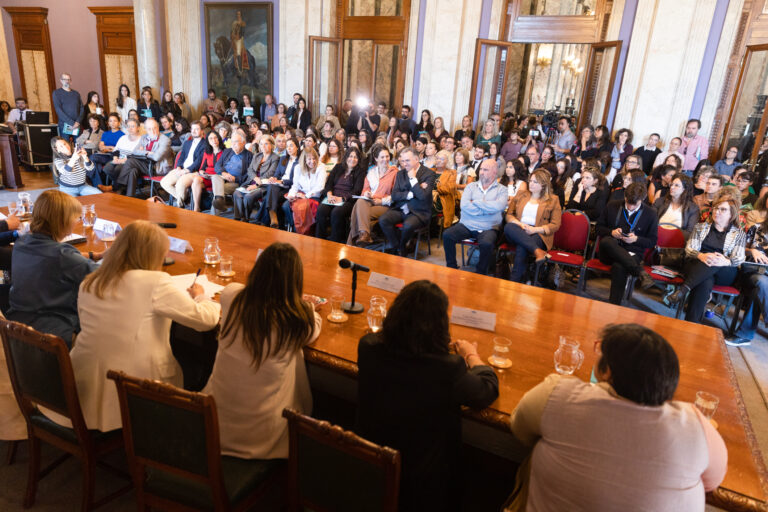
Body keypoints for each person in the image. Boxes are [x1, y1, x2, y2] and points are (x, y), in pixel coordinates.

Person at [508, 323, 727, 512]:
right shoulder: (695, 426)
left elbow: (519, 428)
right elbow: (712, 482)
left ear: (608, 371)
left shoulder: (558, 394)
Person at [356, 280, 499, 512]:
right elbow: (486, 390)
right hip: (423, 483)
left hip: (372, 466)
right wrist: (472, 356)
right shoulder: (448, 368)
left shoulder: (368, 347)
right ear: (439, 326)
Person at [67, 221, 219, 432]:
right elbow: (206, 320)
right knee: (198, 365)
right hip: (134, 387)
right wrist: (201, 296)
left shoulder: (91, 281)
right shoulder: (155, 282)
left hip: (84, 381)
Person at [200, 242, 321, 458]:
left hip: (214, 425)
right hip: (262, 441)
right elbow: (314, 327)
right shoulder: (297, 318)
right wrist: (307, 305)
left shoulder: (232, 296)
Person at [7, 190, 102, 346]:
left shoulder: (22, 243)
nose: (77, 222)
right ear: (63, 221)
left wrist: (94, 255)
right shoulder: (63, 255)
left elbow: (55, 257)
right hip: (54, 333)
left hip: (18, 324)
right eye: (76, 218)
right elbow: (104, 277)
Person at [668, 196, 746, 322]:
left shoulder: (739, 234)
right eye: (715, 208)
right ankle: (692, 324)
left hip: (724, 271)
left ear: (731, 214)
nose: (717, 211)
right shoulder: (700, 227)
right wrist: (701, 255)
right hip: (697, 265)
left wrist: (725, 261)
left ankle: (684, 290)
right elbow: (689, 249)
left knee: (715, 260)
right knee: (705, 281)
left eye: (722, 209)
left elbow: (739, 258)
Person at [596, 182, 658, 304]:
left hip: (633, 252)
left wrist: (636, 239)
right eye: (628, 202)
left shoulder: (650, 214)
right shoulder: (612, 205)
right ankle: (640, 272)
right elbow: (598, 228)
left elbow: (652, 241)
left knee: (620, 267)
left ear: (643, 199)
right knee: (607, 241)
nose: (630, 207)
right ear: (624, 196)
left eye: (634, 205)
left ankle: (614, 305)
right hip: (608, 251)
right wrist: (611, 232)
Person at [443, 159, 508, 275]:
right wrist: (487, 209)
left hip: (489, 227)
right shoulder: (470, 187)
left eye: (485, 170)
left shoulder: (502, 190)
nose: (481, 172)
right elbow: (465, 206)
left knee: (487, 243)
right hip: (467, 224)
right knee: (447, 235)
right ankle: (451, 267)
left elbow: (499, 206)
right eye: (481, 169)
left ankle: (481, 272)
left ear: (494, 172)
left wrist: (476, 202)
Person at [503, 169, 562, 282]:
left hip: (538, 233)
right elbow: (509, 215)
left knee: (522, 247)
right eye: (531, 181)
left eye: (535, 182)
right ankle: (538, 252)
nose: (531, 184)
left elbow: (555, 224)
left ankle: (515, 281)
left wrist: (535, 230)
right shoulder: (521, 194)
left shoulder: (553, 199)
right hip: (518, 229)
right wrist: (520, 224)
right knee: (509, 227)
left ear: (544, 185)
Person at [379, 147, 437, 256]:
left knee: (408, 225)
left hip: (419, 211)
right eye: (403, 161)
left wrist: (413, 180)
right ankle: (397, 246)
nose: (404, 164)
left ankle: (401, 248)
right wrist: (413, 191)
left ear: (416, 159)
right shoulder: (400, 174)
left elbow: (423, 196)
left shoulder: (429, 174)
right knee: (383, 220)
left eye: (407, 160)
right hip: (401, 208)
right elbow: (395, 195)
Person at [348, 144, 398, 246]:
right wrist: (366, 193)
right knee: (361, 200)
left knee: (359, 214)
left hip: (385, 205)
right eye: (382, 157)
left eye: (387, 156)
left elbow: (397, 195)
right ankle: (365, 235)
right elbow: (365, 189)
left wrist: (382, 201)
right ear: (376, 158)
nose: (385, 159)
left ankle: (352, 243)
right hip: (369, 201)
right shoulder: (371, 172)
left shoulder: (395, 172)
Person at [315, 147, 365, 242]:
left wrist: (342, 199)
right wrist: (329, 195)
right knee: (321, 210)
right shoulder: (338, 167)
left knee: (336, 213)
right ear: (346, 157)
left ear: (358, 160)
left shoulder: (360, 172)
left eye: (355, 157)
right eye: (350, 156)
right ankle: (319, 239)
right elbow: (328, 184)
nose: (352, 159)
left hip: (347, 200)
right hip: (332, 197)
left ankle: (336, 241)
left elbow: (357, 191)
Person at [116, 118, 174, 197]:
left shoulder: (165, 140)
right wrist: (147, 152)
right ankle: (130, 197)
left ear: (158, 127)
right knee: (133, 170)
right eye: (149, 129)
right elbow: (134, 151)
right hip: (146, 165)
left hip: (157, 168)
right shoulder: (144, 137)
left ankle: (118, 186)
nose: (152, 131)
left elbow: (156, 157)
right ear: (146, 129)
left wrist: (142, 152)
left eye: (154, 128)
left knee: (130, 161)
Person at [232, 135, 280, 222]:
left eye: (266, 144)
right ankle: (238, 217)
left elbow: (270, 173)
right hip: (251, 181)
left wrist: (257, 184)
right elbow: (250, 169)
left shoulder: (275, 157)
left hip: (264, 185)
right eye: (261, 144)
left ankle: (245, 219)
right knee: (237, 193)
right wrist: (255, 178)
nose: (263, 146)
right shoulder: (257, 155)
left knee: (248, 197)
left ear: (272, 145)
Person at [160, 121, 206, 207]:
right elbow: (181, 157)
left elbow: (199, 161)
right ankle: (185, 199)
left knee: (180, 185)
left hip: (193, 171)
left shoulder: (205, 144)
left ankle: (179, 206)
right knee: (164, 182)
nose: (194, 131)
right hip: (181, 169)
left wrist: (186, 170)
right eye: (193, 129)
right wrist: (178, 167)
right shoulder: (187, 143)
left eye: (197, 129)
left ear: (202, 131)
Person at [284, 147, 326, 234]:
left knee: (303, 208)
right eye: (309, 159)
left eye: (314, 158)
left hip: (314, 196)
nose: (312, 161)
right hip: (301, 194)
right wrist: (291, 195)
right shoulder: (298, 168)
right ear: (304, 160)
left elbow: (320, 186)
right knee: (285, 206)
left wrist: (306, 196)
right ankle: (295, 228)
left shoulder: (321, 167)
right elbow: (295, 185)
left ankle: (304, 231)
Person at [210, 130, 253, 213]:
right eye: (232, 141)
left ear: (243, 142)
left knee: (218, 191)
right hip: (222, 178)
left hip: (235, 182)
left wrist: (235, 179)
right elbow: (217, 166)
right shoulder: (227, 151)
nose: (233, 144)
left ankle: (216, 208)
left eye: (236, 142)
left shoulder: (249, 156)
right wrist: (224, 173)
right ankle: (220, 202)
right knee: (215, 176)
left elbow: (249, 175)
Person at [52, 73, 83, 140]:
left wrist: (77, 122)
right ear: (61, 80)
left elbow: (81, 109)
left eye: (68, 79)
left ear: (70, 81)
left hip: (77, 125)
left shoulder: (76, 94)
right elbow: (58, 110)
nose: (67, 81)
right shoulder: (56, 93)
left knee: (79, 146)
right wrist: (72, 123)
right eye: (65, 79)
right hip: (64, 125)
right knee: (66, 146)